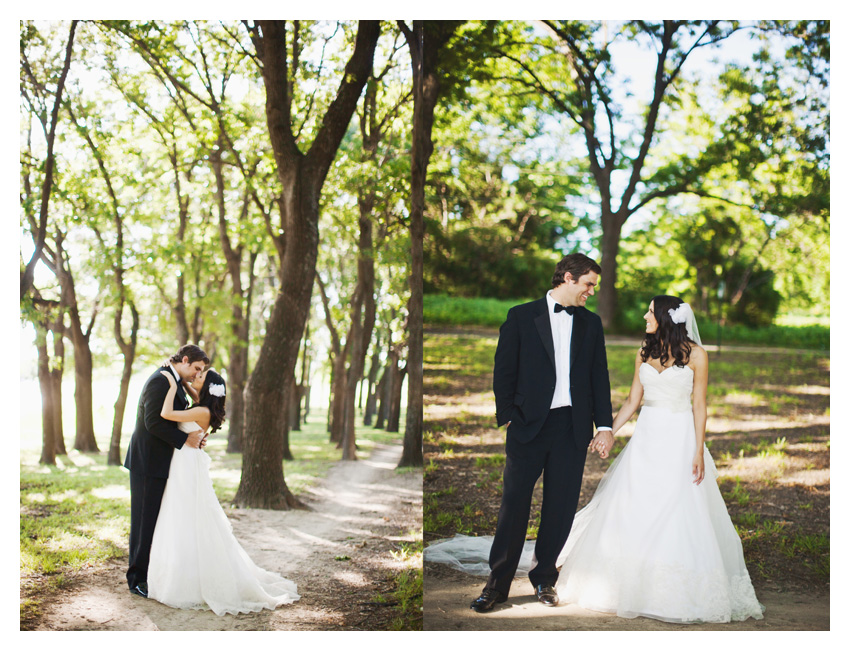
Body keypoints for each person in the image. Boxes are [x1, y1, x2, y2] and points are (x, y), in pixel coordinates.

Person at [426, 295, 765, 623]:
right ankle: (504, 585)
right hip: (645, 440)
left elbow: (699, 405)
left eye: (650, 313)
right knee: (630, 505)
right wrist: (608, 431)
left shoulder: (697, 356)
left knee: (675, 507)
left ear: (666, 318)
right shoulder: (644, 352)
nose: (645, 318)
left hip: (678, 439)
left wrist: (698, 450)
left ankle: (662, 584)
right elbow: (633, 400)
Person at [468, 252, 615, 612]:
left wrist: (605, 425)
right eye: (588, 284)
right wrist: (508, 417)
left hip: (572, 428)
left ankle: (544, 579)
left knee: (560, 508)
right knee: (514, 504)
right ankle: (497, 585)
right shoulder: (521, 316)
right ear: (567, 277)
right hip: (528, 426)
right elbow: (503, 370)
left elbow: (599, 377)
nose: (591, 292)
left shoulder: (591, 324)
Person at [146, 366, 301, 615]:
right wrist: (182, 380)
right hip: (187, 462)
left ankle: (187, 579)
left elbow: (165, 413)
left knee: (184, 516)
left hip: (186, 465)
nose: (195, 377)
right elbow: (194, 394)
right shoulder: (203, 408)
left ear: (206, 388)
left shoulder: (199, 410)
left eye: (200, 377)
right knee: (185, 515)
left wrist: (172, 383)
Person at [125, 344, 209, 598]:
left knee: (155, 521)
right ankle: (137, 579)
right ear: (184, 360)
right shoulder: (159, 381)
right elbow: (152, 422)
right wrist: (185, 441)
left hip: (162, 462)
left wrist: (194, 437)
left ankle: (151, 574)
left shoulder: (174, 380)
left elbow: (175, 418)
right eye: (196, 368)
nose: (197, 374)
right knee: (143, 522)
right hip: (147, 463)